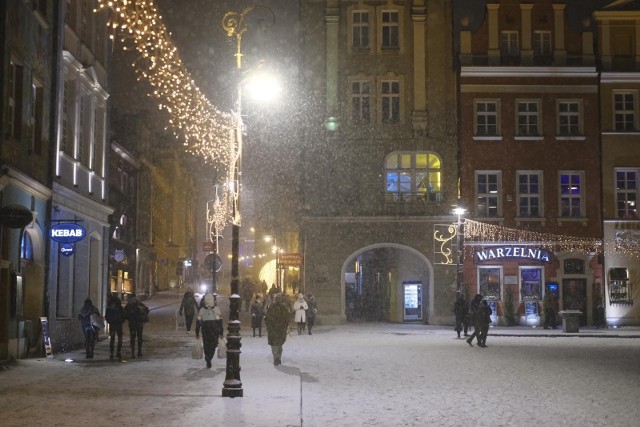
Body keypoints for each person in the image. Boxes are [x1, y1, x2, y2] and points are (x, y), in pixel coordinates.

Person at [195, 292, 223, 368]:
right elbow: (220, 322)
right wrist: (221, 332)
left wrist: (197, 332)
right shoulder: (216, 309)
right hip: (214, 330)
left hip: (205, 330)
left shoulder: (202, 310)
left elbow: (198, 322)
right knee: (213, 345)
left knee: (206, 345)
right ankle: (209, 357)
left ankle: (208, 357)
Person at [265, 293, 291, 366]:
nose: (278, 300)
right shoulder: (273, 306)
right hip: (276, 329)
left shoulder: (283, 307)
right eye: (277, 298)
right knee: (276, 344)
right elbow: (268, 317)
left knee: (277, 344)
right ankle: (276, 358)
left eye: (279, 298)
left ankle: (277, 358)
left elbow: (287, 318)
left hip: (278, 329)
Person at [124, 293, 150, 359]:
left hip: (132, 324)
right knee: (139, 337)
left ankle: (133, 352)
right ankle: (139, 351)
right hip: (139, 324)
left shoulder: (128, 305)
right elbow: (147, 310)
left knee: (132, 338)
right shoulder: (139, 303)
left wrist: (130, 317)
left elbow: (125, 314)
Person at [105, 292, 125, 360]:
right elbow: (123, 315)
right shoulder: (120, 308)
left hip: (113, 324)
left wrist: (109, 321)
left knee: (112, 339)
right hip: (118, 324)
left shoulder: (109, 308)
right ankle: (118, 352)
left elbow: (107, 316)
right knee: (119, 339)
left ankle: (112, 353)